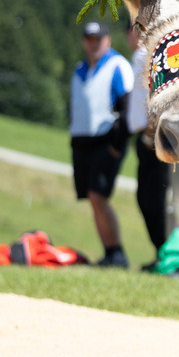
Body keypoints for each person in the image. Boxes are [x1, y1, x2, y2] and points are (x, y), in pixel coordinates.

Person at [70, 20, 134, 267]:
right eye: (89, 40)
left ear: (107, 40)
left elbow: (127, 106)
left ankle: (117, 252)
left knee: (98, 196)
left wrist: (117, 144)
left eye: (98, 39)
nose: (94, 44)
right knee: (92, 197)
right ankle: (109, 252)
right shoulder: (79, 70)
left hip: (106, 140)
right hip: (82, 142)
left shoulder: (117, 65)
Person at [126, 22, 171, 269]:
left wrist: (149, 133)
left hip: (153, 137)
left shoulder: (146, 54)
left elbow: (155, 92)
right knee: (147, 198)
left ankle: (166, 254)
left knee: (153, 198)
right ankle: (161, 253)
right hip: (146, 136)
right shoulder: (142, 55)